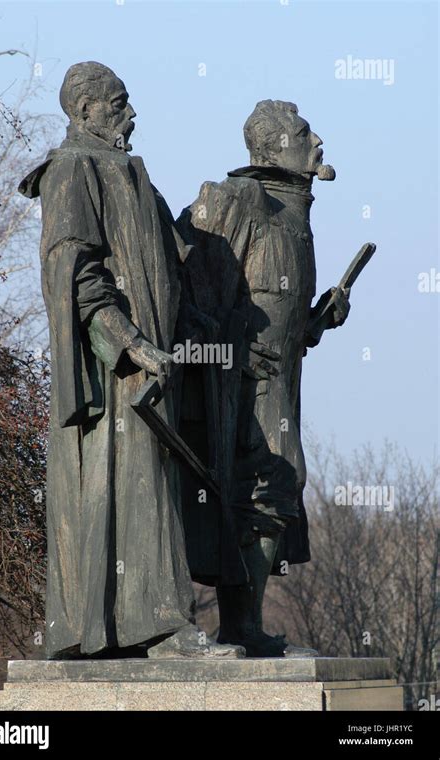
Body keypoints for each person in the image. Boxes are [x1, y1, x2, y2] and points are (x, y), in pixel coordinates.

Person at [19, 61, 244, 660]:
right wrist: (127, 340)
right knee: (132, 486)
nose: (131, 114)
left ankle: (130, 630)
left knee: (151, 488)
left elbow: (171, 272)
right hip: (115, 374)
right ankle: (163, 628)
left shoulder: (134, 173)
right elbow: (74, 270)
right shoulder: (72, 169)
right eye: (119, 104)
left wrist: (202, 336)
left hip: (155, 366)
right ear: (85, 111)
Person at [177, 100, 350, 656]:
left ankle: (242, 626)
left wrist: (319, 320)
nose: (318, 140)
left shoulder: (295, 213)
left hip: (282, 381)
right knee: (275, 479)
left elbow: (280, 318)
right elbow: (187, 282)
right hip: (239, 386)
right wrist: (228, 348)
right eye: (305, 134)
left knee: (271, 489)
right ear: (274, 149)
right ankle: (239, 626)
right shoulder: (240, 201)